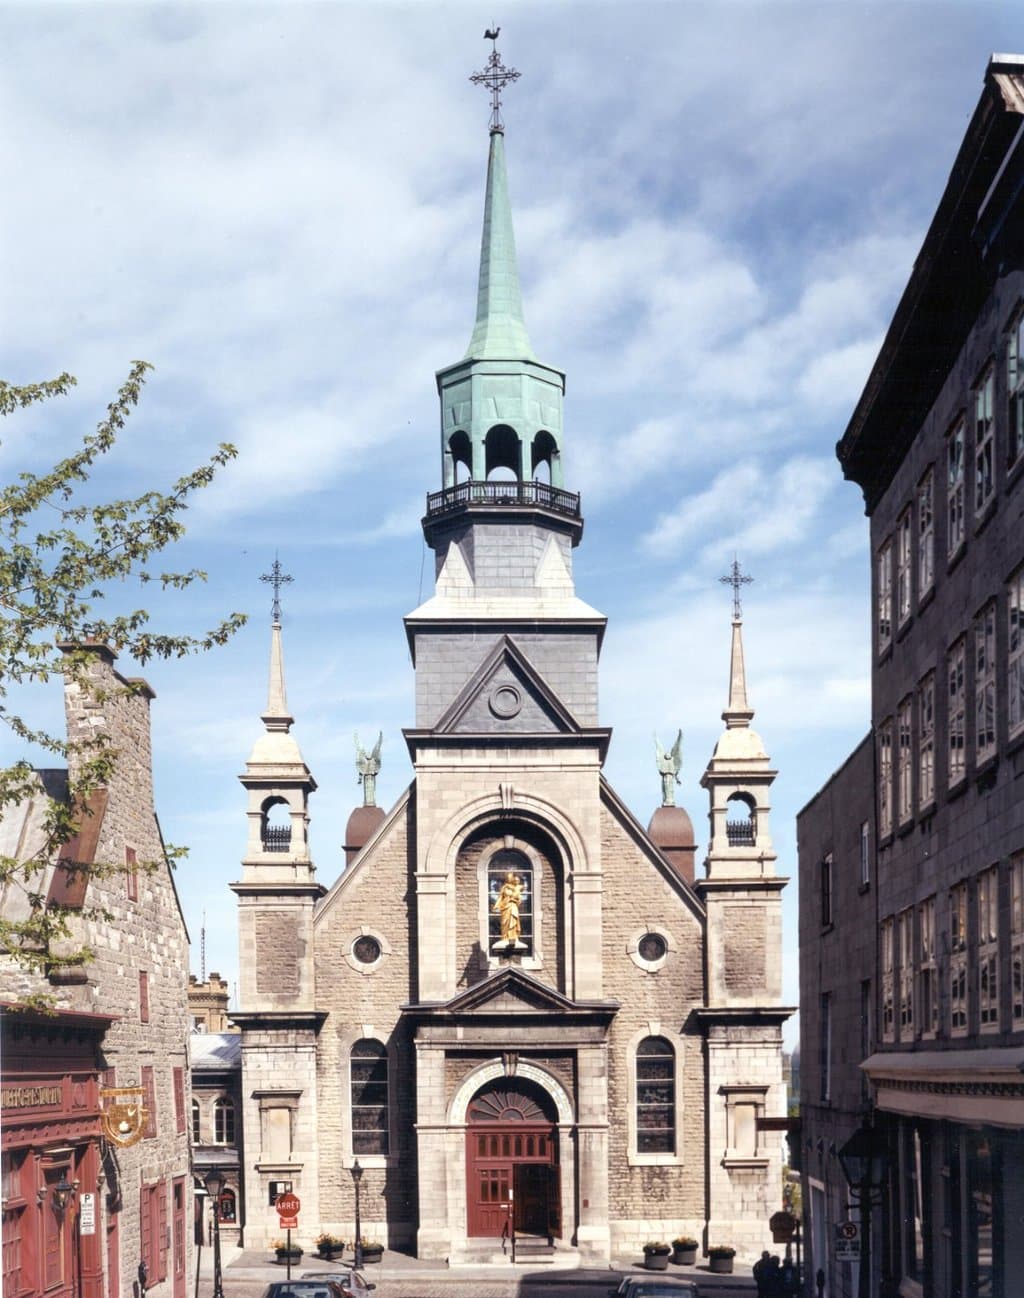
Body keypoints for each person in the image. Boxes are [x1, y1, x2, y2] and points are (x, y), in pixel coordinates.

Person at [492, 871, 523, 943]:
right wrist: (496, 906)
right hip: (505, 907)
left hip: (513, 906)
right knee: (504, 922)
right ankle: (505, 937)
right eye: (508, 877)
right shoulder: (504, 888)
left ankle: (513, 937)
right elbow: (500, 898)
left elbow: (519, 899)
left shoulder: (516, 888)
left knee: (513, 921)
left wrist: (515, 899)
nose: (509, 879)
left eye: (510, 877)